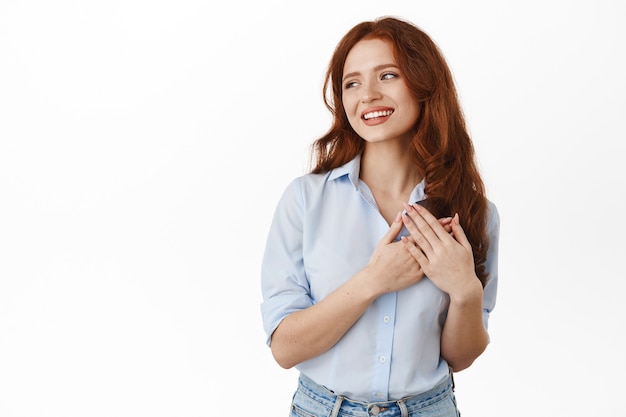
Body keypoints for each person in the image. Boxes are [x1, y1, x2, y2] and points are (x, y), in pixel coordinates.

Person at [260, 16, 499, 417]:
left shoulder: (474, 211)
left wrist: (465, 291)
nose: (367, 95)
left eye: (387, 75)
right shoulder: (305, 200)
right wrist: (374, 280)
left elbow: (460, 357)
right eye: (351, 83)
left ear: (424, 84)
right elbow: (285, 349)